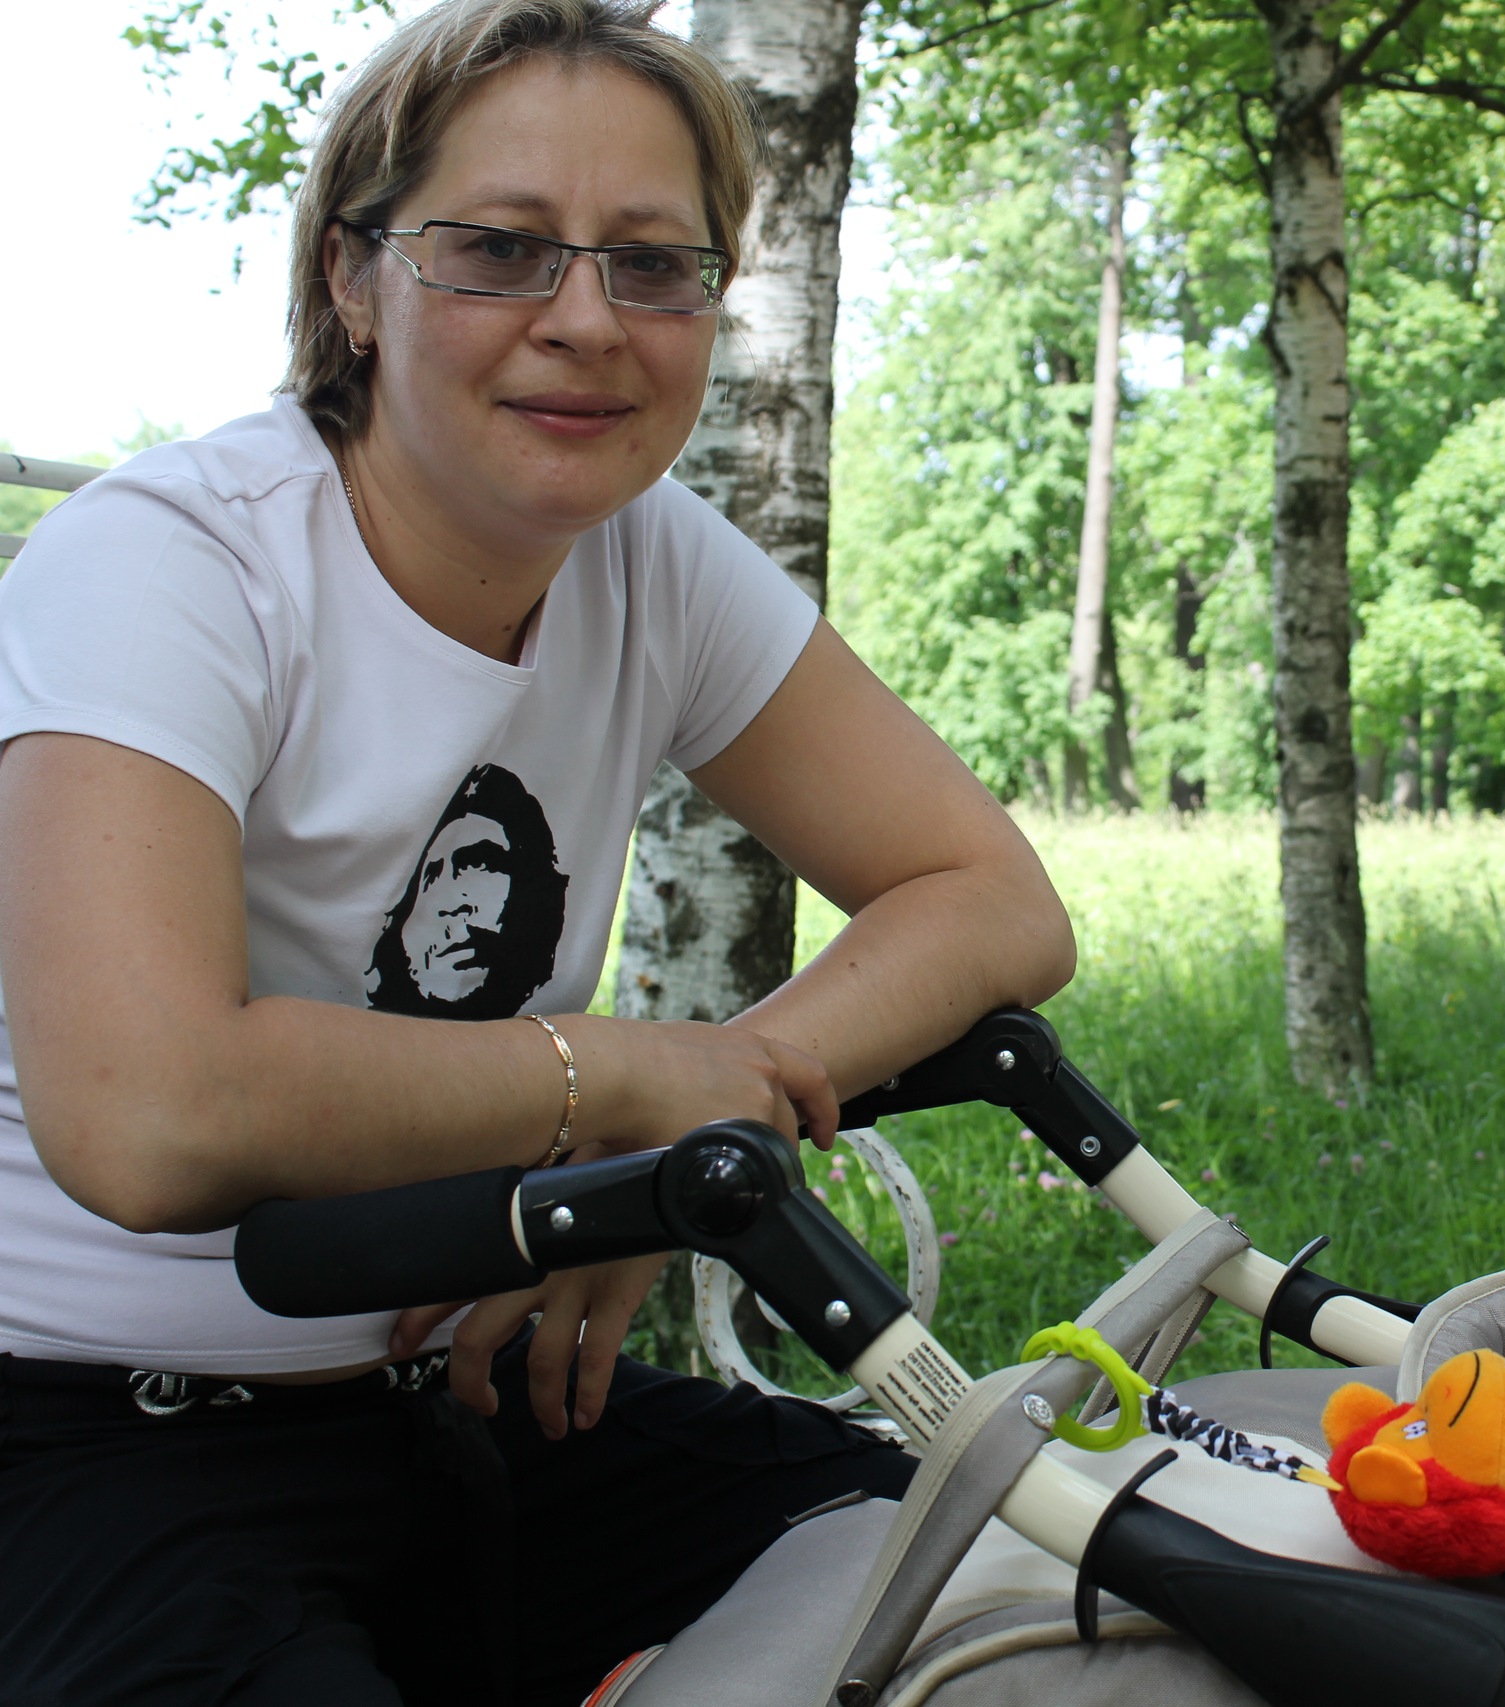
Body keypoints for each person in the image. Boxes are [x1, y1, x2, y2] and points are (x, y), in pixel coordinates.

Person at [0, 2, 1074, 1702]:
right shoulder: (169, 565)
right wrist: (619, 1087)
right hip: (85, 1433)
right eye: (500, 248)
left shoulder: (658, 562)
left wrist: (709, 1122)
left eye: (654, 266)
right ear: (354, 280)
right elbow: (144, 1112)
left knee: (1014, 1584)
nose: (586, 320)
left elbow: (995, 899)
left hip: (468, 1398)